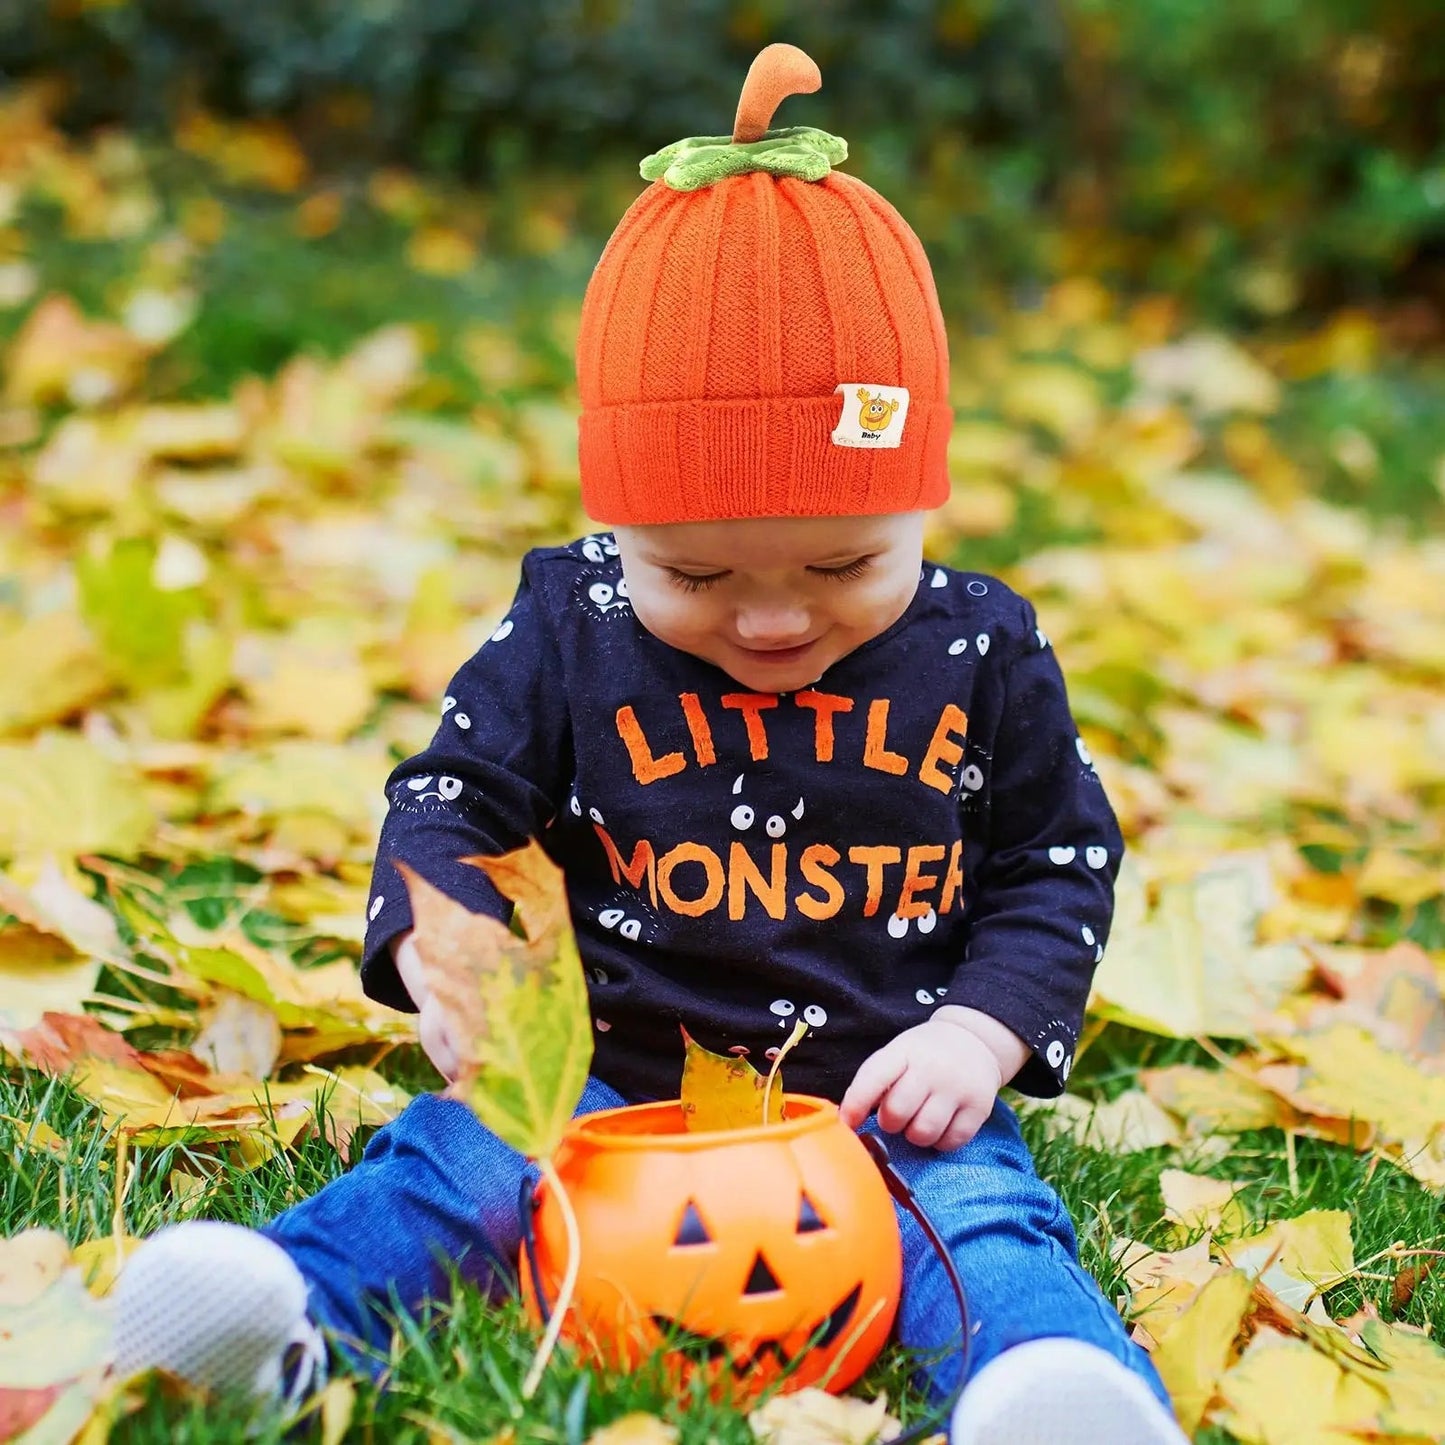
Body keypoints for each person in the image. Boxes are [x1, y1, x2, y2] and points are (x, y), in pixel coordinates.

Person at [113, 45, 1186, 1445]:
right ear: (615, 528)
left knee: (980, 1212)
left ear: (923, 500)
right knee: (452, 1167)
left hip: (877, 1081)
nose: (771, 619)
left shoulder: (979, 651)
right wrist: (458, 963)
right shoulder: (567, 625)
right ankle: (289, 1317)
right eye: (695, 579)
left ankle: (1044, 1388)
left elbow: (1055, 857)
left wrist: (978, 1032)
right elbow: (455, 797)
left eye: (844, 562)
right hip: (601, 1072)